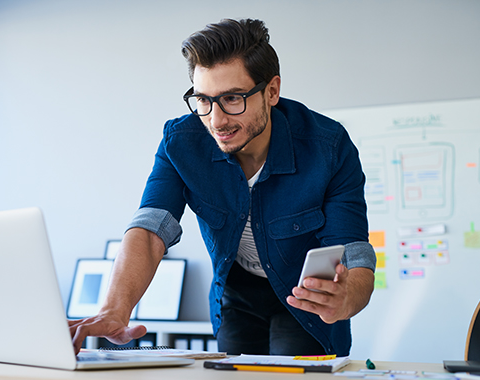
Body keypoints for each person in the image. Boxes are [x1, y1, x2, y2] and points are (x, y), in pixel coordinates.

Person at [69, 18, 376, 356]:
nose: (216, 120)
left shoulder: (328, 147)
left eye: (232, 98)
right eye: (203, 100)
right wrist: (114, 308)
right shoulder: (181, 143)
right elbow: (150, 229)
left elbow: (354, 252)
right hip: (237, 293)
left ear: (272, 91)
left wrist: (349, 298)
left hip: (304, 297)